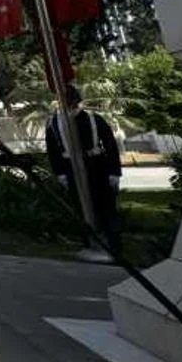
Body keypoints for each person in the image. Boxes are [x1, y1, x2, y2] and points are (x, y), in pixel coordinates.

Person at [45, 83, 123, 254]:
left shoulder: (93, 119)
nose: (69, 103)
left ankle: (113, 246)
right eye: (64, 100)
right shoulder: (53, 123)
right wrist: (60, 173)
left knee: (105, 206)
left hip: (96, 165)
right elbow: (53, 151)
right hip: (71, 167)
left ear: (77, 100)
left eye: (71, 99)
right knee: (80, 208)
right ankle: (90, 244)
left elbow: (110, 145)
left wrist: (114, 172)